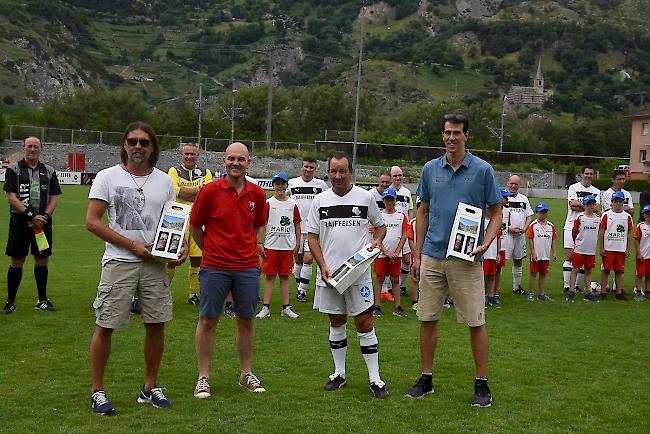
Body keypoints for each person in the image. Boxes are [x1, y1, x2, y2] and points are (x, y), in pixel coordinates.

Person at [86, 122, 187, 414]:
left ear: (153, 147)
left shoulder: (164, 182)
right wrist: (131, 246)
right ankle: (98, 391)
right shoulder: (107, 177)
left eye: (144, 142)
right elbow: (92, 221)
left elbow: (171, 223)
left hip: (154, 265)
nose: (138, 146)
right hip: (119, 262)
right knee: (105, 325)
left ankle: (149, 387)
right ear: (124, 145)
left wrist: (176, 250)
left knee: (156, 326)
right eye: (133, 141)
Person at [405, 112, 502, 407]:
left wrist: (485, 242)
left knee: (475, 321)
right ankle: (426, 379)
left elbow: (496, 212)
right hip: (433, 256)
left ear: (466, 136)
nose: (451, 138)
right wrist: (417, 254)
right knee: (427, 318)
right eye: (447, 132)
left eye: (457, 133)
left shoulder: (483, 170)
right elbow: (421, 211)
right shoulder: (430, 169)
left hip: (466, 259)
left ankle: (482, 384)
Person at [307, 151, 389, 399]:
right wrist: (322, 266)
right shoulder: (320, 201)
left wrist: (376, 241)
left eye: (343, 171)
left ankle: (375, 379)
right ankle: (339, 373)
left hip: (359, 274)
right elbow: (312, 236)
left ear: (351, 172)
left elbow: (381, 227)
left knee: (364, 323)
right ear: (328, 172)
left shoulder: (365, 198)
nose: (338, 176)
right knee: (336, 322)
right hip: (330, 276)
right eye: (334, 171)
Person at [190, 142, 267, 399]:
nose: (236, 163)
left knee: (246, 320)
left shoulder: (257, 194)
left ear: (249, 163)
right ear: (224, 161)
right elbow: (195, 227)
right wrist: (210, 250)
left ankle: (246, 373)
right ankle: (203, 377)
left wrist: (253, 246)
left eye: (241, 159)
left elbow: (258, 226)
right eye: (231, 159)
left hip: (247, 267)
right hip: (215, 267)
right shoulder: (210, 191)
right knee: (208, 319)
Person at [1, 137, 62, 315]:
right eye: (29, 146)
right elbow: (11, 198)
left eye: (36, 147)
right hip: (20, 223)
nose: (32, 149)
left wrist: (45, 216)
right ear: (24, 148)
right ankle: (10, 302)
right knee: (17, 261)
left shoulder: (49, 171)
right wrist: (30, 215)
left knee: (42, 259)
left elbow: (54, 197)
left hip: (42, 224)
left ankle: (42, 300)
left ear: (41, 149)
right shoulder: (14, 169)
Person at [167, 143, 213, 305]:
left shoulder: (205, 172)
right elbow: (175, 191)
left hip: (198, 219)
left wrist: (186, 191)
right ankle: (164, 292)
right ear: (181, 155)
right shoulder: (174, 171)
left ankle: (193, 295)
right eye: (186, 154)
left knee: (197, 259)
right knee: (171, 257)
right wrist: (198, 191)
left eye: (193, 154)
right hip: (177, 218)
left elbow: (207, 194)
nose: (189, 157)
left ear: (197, 156)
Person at [256, 172, 301, 319]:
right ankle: (266, 307)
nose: (280, 186)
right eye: (277, 183)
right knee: (269, 277)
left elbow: (297, 225)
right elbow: (262, 224)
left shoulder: (293, 204)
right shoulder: (268, 203)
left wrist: (298, 243)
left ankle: (286, 307)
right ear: (273, 185)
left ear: (287, 185)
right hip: (271, 246)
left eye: (283, 183)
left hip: (287, 247)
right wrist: (260, 242)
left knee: (284, 277)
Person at [288, 156, 329, 303]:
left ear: (315, 168)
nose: (308, 169)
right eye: (306, 166)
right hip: (296, 229)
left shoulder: (321, 185)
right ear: (301, 167)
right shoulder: (292, 183)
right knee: (298, 260)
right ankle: (301, 285)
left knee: (308, 258)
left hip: (313, 230)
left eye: (311, 167)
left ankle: (302, 291)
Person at [372, 187, 409, 318]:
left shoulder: (401, 216)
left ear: (395, 201)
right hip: (382, 253)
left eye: (391, 200)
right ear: (383, 201)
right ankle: (376, 306)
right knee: (379, 279)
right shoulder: (379, 216)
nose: (389, 202)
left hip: (396, 254)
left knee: (395, 280)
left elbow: (404, 235)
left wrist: (397, 252)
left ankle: (398, 307)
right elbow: (376, 236)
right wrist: (386, 251)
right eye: (387, 200)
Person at [562, 166, 600, 293]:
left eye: (591, 173)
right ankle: (567, 286)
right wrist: (587, 207)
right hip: (571, 226)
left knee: (584, 259)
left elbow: (597, 208)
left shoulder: (596, 191)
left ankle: (576, 287)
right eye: (586, 173)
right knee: (570, 257)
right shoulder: (574, 187)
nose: (588, 176)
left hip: (588, 229)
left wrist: (582, 206)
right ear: (582, 174)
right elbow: (572, 205)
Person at [598, 191, 633, 301]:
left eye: (620, 201)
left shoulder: (627, 217)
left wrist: (627, 248)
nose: (618, 203)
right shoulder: (606, 215)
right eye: (615, 201)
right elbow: (601, 232)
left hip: (621, 248)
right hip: (609, 248)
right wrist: (602, 247)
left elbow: (629, 234)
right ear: (611, 202)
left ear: (623, 202)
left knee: (619, 271)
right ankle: (603, 292)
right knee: (606, 270)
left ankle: (618, 292)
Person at [568, 195, 601, 302]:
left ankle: (588, 293)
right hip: (579, 249)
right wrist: (577, 243)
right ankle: (571, 292)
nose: (591, 206)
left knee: (588, 271)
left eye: (593, 204)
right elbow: (574, 232)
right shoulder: (580, 217)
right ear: (584, 205)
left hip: (590, 250)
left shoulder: (597, 218)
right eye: (588, 204)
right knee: (576, 269)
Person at [504, 175, 532, 296]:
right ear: (507, 184)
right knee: (499, 261)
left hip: (520, 235)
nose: (513, 186)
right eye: (511, 183)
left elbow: (529, 216)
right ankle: (493, 290)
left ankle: (517, 287)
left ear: (519, 185)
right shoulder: (504, 198)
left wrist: (525, 228)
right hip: (506, 235)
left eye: (516, 184)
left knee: (518, 260)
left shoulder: (524, 199)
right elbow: (498, 216)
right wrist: (509, 228)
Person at [484, 188, 511, 307]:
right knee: (483, 276)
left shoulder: (496, 222)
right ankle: (482, 296)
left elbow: (499, 237)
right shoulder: (482, 221)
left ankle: (491, 296)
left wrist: (499, 252)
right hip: (484, 254)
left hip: (493, 253)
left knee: (492, 275)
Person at [526, 202, 558, 302]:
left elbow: (553, 240)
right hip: (536, 255)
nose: (543, 214)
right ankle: (531, 293)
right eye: (541, 212)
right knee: (533, 273)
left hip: (546, 255)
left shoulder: (550, 226)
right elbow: (530, 239)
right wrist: (533, 253)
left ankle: (541, 293)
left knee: (543, 274)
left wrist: (554, 253)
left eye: (545, 212)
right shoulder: (533, 225)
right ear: (536, 213)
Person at [389, 165, 413, 297]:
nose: (398, 178)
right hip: (392, 231)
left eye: (399, 175)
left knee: (407, 260)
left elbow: (410, 212)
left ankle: (401, 285)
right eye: (395, 176)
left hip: (405, 231)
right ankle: (387, 288)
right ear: (391, 177)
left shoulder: (407, 192)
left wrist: (411, 228)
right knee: (391, 260)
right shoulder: (388, 192)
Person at [634, 205, 650, 301]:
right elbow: (636, 239)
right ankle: (639, 291)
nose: (648, 215)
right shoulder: (641, 226)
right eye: (647, 213)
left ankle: (648, 291)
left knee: (649, 275)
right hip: (643, 255)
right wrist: (638, 253)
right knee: (640, 274)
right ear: (643, 215)